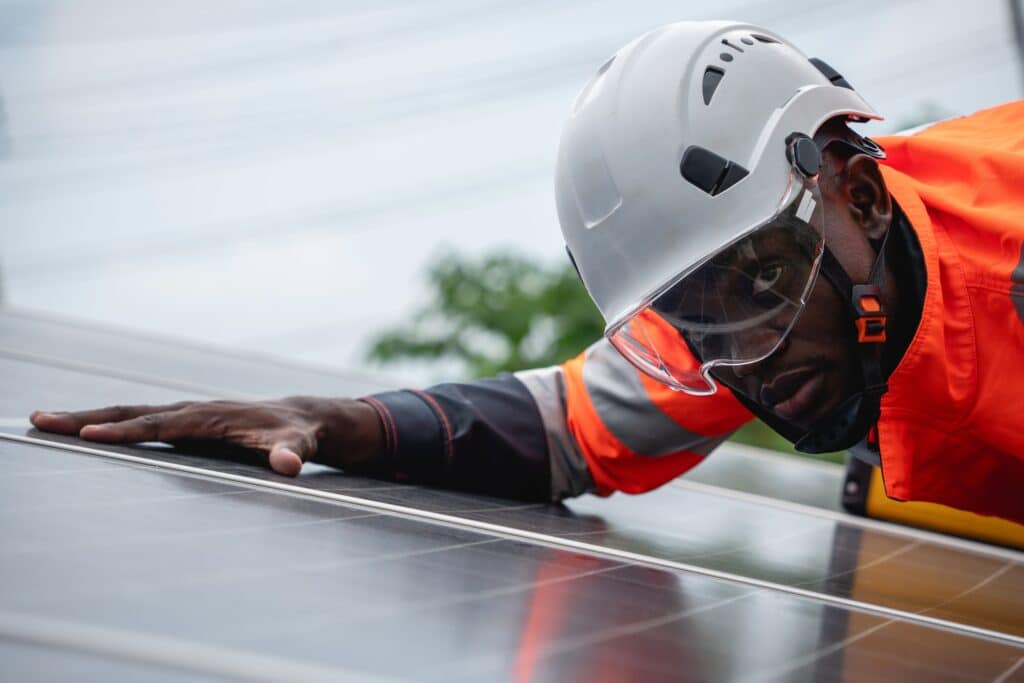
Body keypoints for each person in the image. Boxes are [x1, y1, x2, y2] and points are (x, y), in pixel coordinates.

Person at [29, 21, 1024, 523]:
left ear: (853, 193)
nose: (742, 371)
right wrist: (332, 420)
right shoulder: (772, 318)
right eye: (697, 323)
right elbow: (563, 426)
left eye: (758, 286)